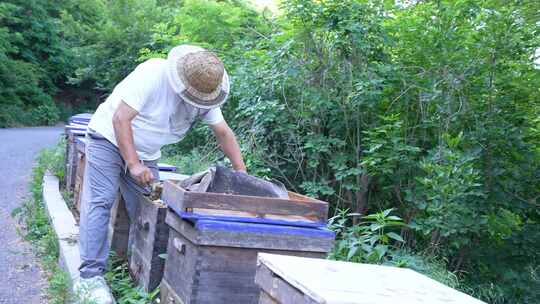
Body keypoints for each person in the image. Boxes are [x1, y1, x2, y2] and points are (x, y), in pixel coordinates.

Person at [74, 45, 246, 303]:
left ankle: (137, 270)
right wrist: (133, 164)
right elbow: (120, 119)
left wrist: (242, 173)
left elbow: (223, 132)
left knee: (149, 211)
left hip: (147, 153)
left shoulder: (206, 95)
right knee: (100, 202)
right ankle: (90, 277)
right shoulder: (152, 74)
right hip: (107, 139)